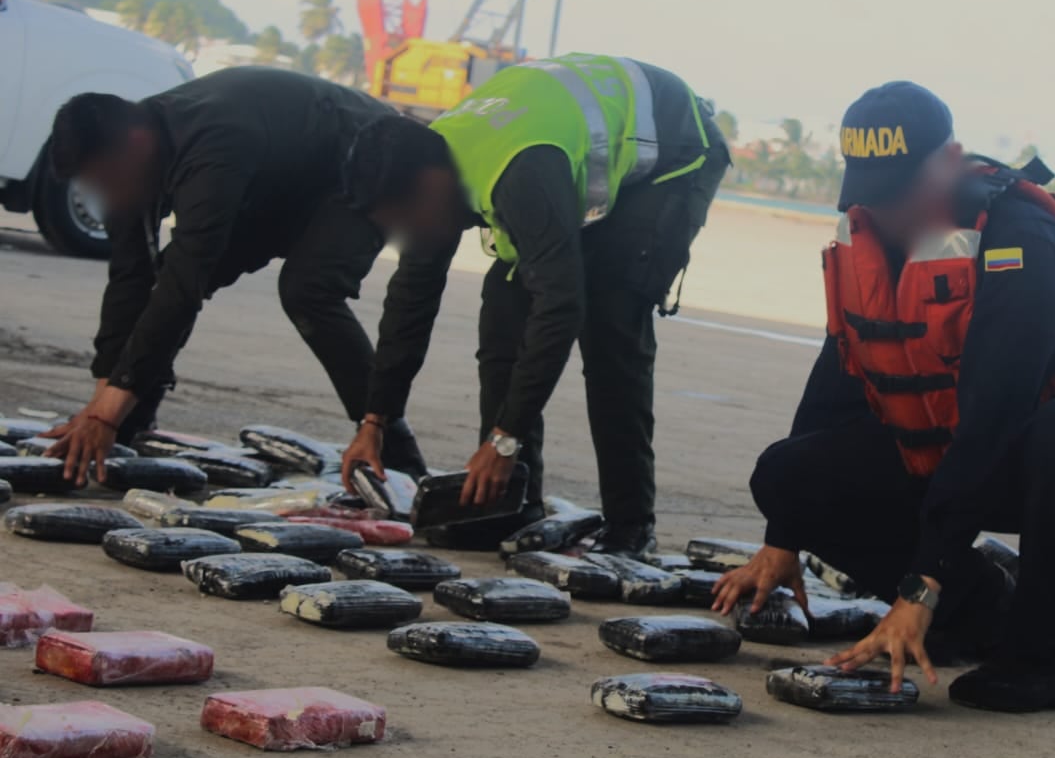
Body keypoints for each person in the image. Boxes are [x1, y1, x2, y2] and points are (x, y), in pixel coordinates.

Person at [712, 81, 1055, 712]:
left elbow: (995, 414)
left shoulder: (1019, 238)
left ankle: (1039, 657)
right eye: (874, 191)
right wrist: (783, 535)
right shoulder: (867, 236)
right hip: (942, 442)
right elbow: (838, 377)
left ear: (948, 160)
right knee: (788, 476)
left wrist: (919, 587)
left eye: (901, 188)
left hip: (1050, 447)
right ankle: (978, 612)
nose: (889, 211)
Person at [341, 52, 730, 557]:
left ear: (430, 185)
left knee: (610, 326)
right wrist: (375, 421)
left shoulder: (517, 176)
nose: (403, 236)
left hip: (674, 154)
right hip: (559, 156)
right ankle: (509, 504)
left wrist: (505, 439)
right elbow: (410, 301)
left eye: (403, 220)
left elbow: (561, 306)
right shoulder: (427, 168)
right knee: (502, 317)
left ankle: (631, 523)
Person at [41, 67, 427, 485]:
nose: (108, 194)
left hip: (372, 160)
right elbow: (129, 277)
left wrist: (106, 415)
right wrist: (102, 401)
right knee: (159, 282)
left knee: (307, 289)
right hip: (281, 177)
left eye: (107, 180)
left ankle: (392, 445)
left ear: (134, 144)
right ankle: (133, 417)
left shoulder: (215, 143)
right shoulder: (125, 162)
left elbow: (185, 283)